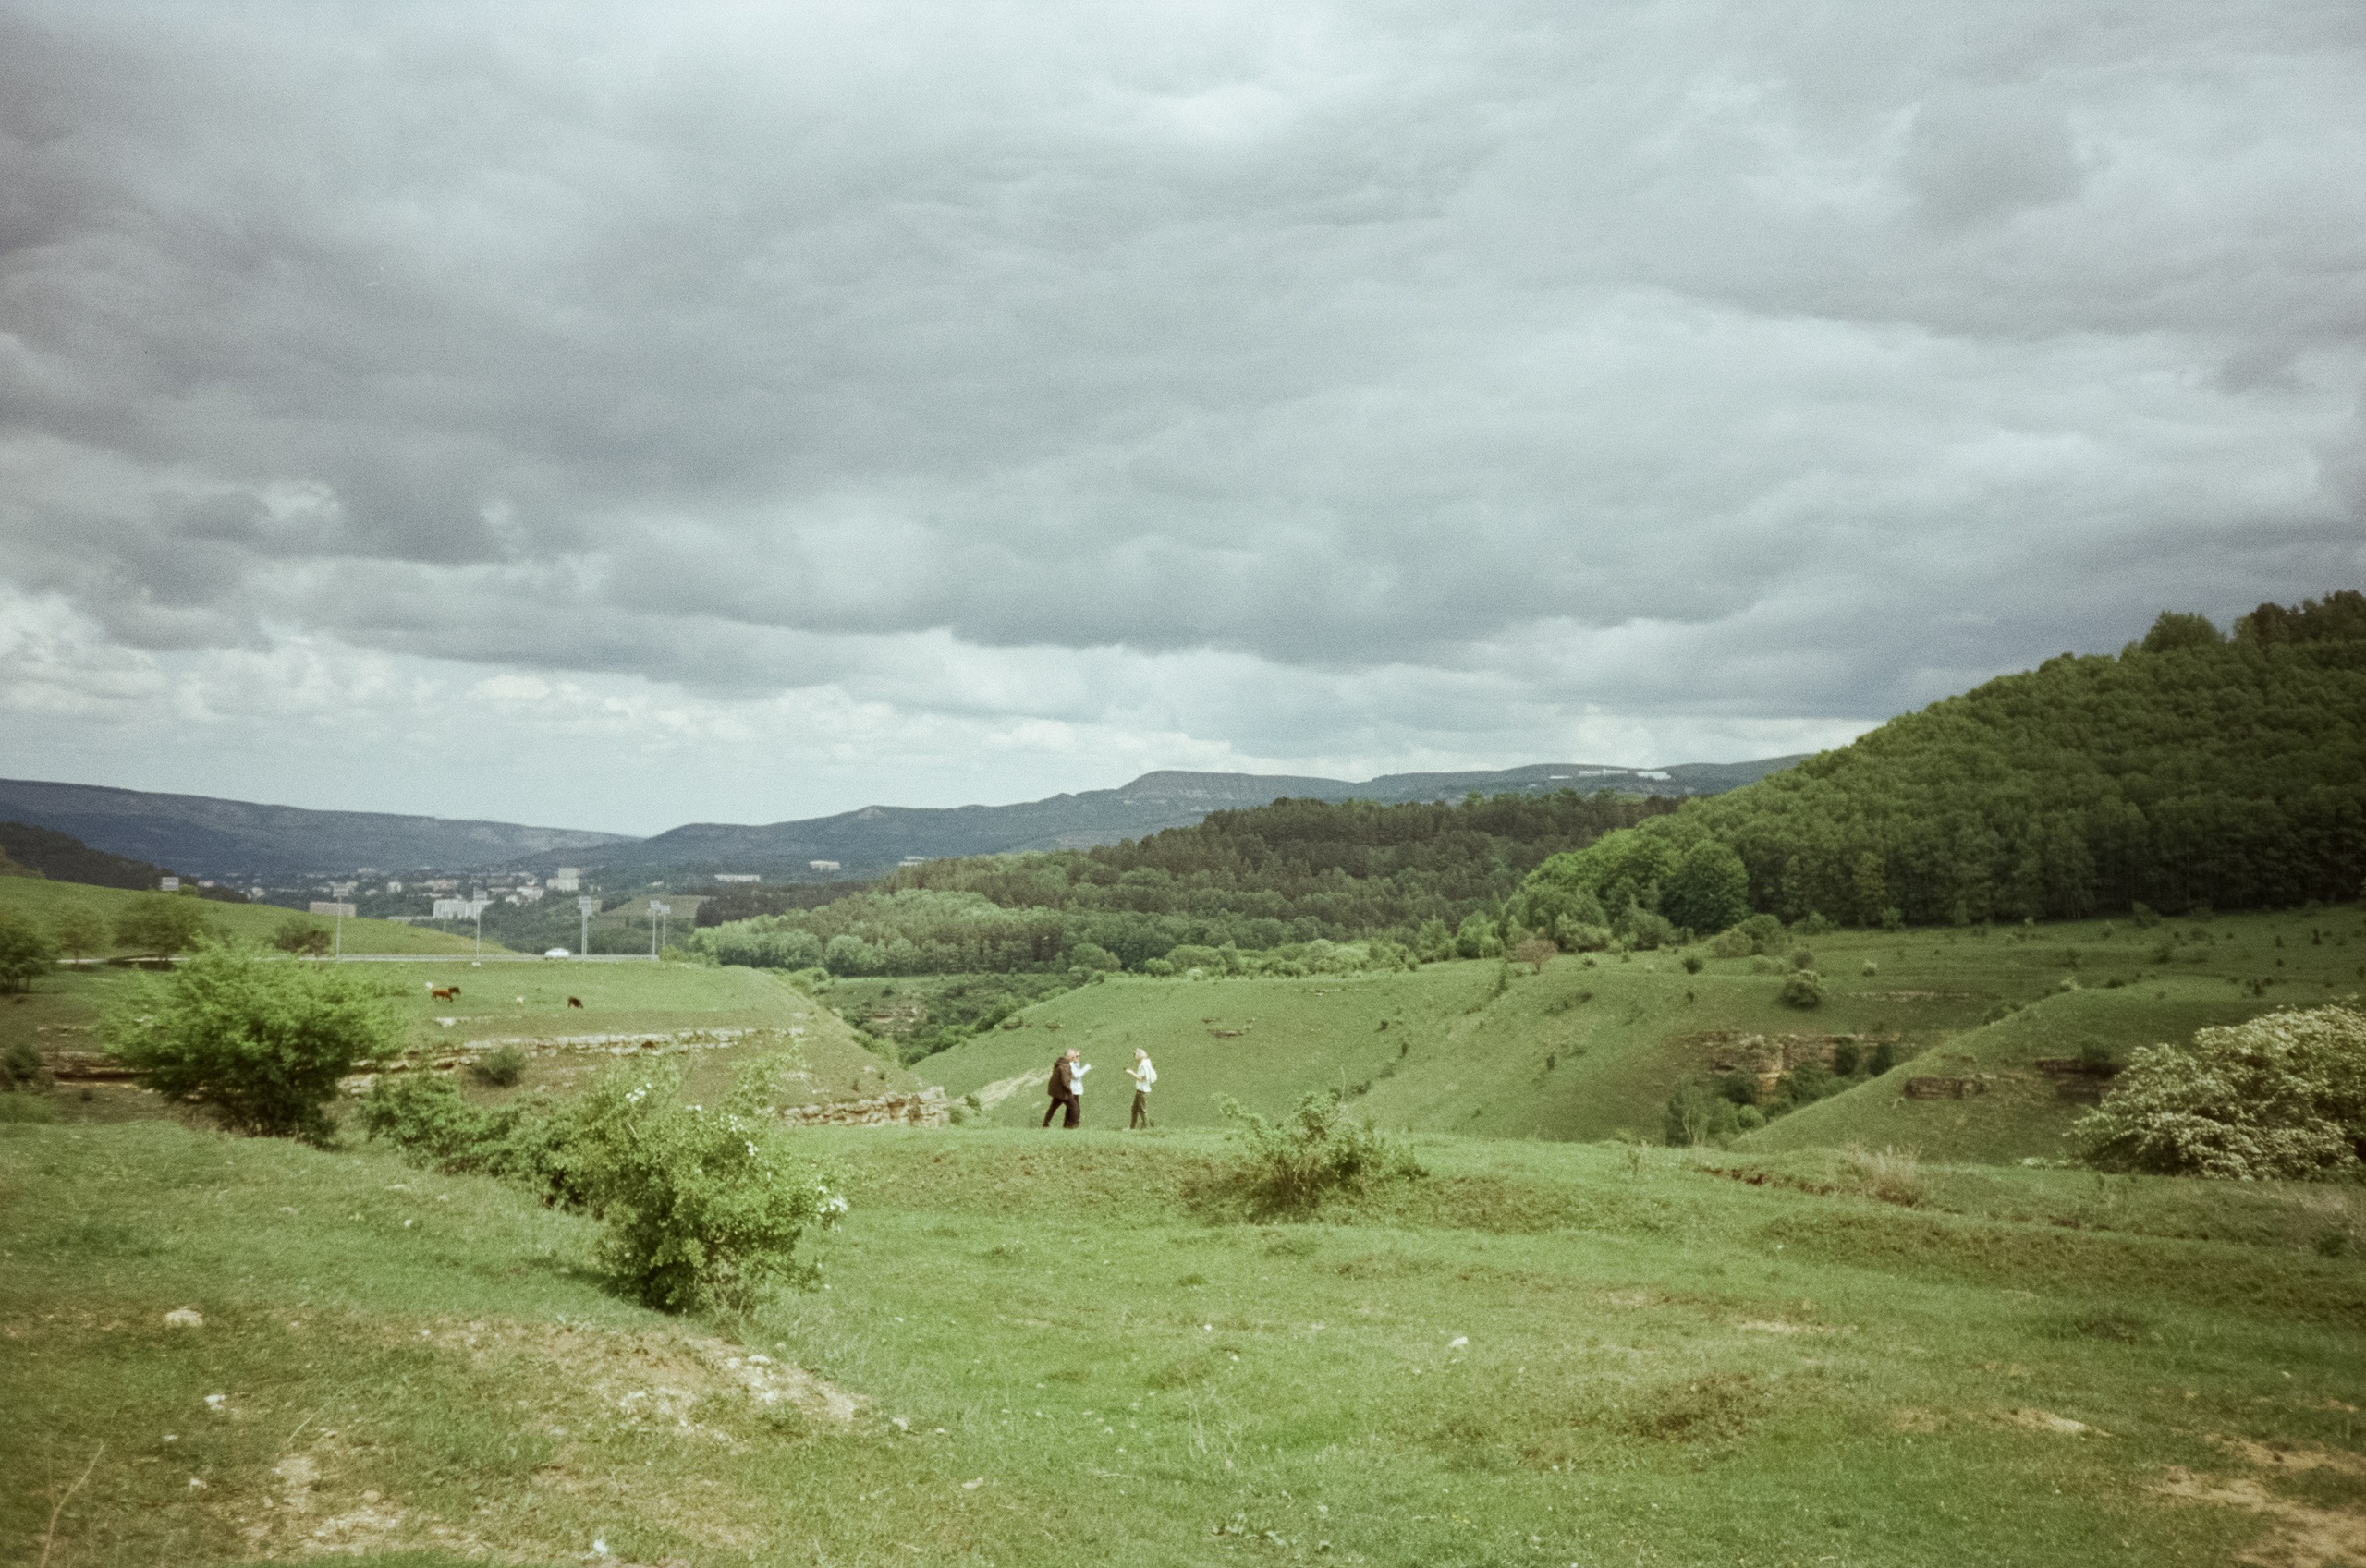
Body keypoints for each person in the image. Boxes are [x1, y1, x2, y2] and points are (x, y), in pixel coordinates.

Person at [1127, 1047, 1156, 1129]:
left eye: (1135, 1054)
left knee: (1142, 1110)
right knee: (1134, 1109)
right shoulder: (1145, 1064)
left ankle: (1145, 1127)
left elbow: (1141, 1079)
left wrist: (1132, 1073)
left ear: (1140, 1055)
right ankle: (1132, 1127)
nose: (1134, 1056)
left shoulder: (1143, 1066)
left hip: (1142, 1091)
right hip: (1140, 1090)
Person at [1060, 1048, 1090, 1128]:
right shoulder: (1071, 1065)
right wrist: (1086, 1068)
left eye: (1079, 1056)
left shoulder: (1075, 1064)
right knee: (1075, 1108)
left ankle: (1067, 1125)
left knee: (1071, 1108)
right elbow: (1077, 1075)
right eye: (1076, 1056)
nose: (1078, 1058)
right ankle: (1073, 1125)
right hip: (1072, 1090)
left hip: (1075, 1090)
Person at [1041, 1049, 1071, 1128]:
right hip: (1061, 1092)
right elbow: (1065, 1081)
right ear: (1067, 1056)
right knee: (1073, 1107)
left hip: (1057, 1091)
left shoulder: (1059, 1063)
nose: (1072, 1058)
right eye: (1071, 1056)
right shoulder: (1064, 1065)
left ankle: (1045, 1124)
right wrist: (1070, 1089)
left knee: (1053, 1107)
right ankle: (1069, 1125)